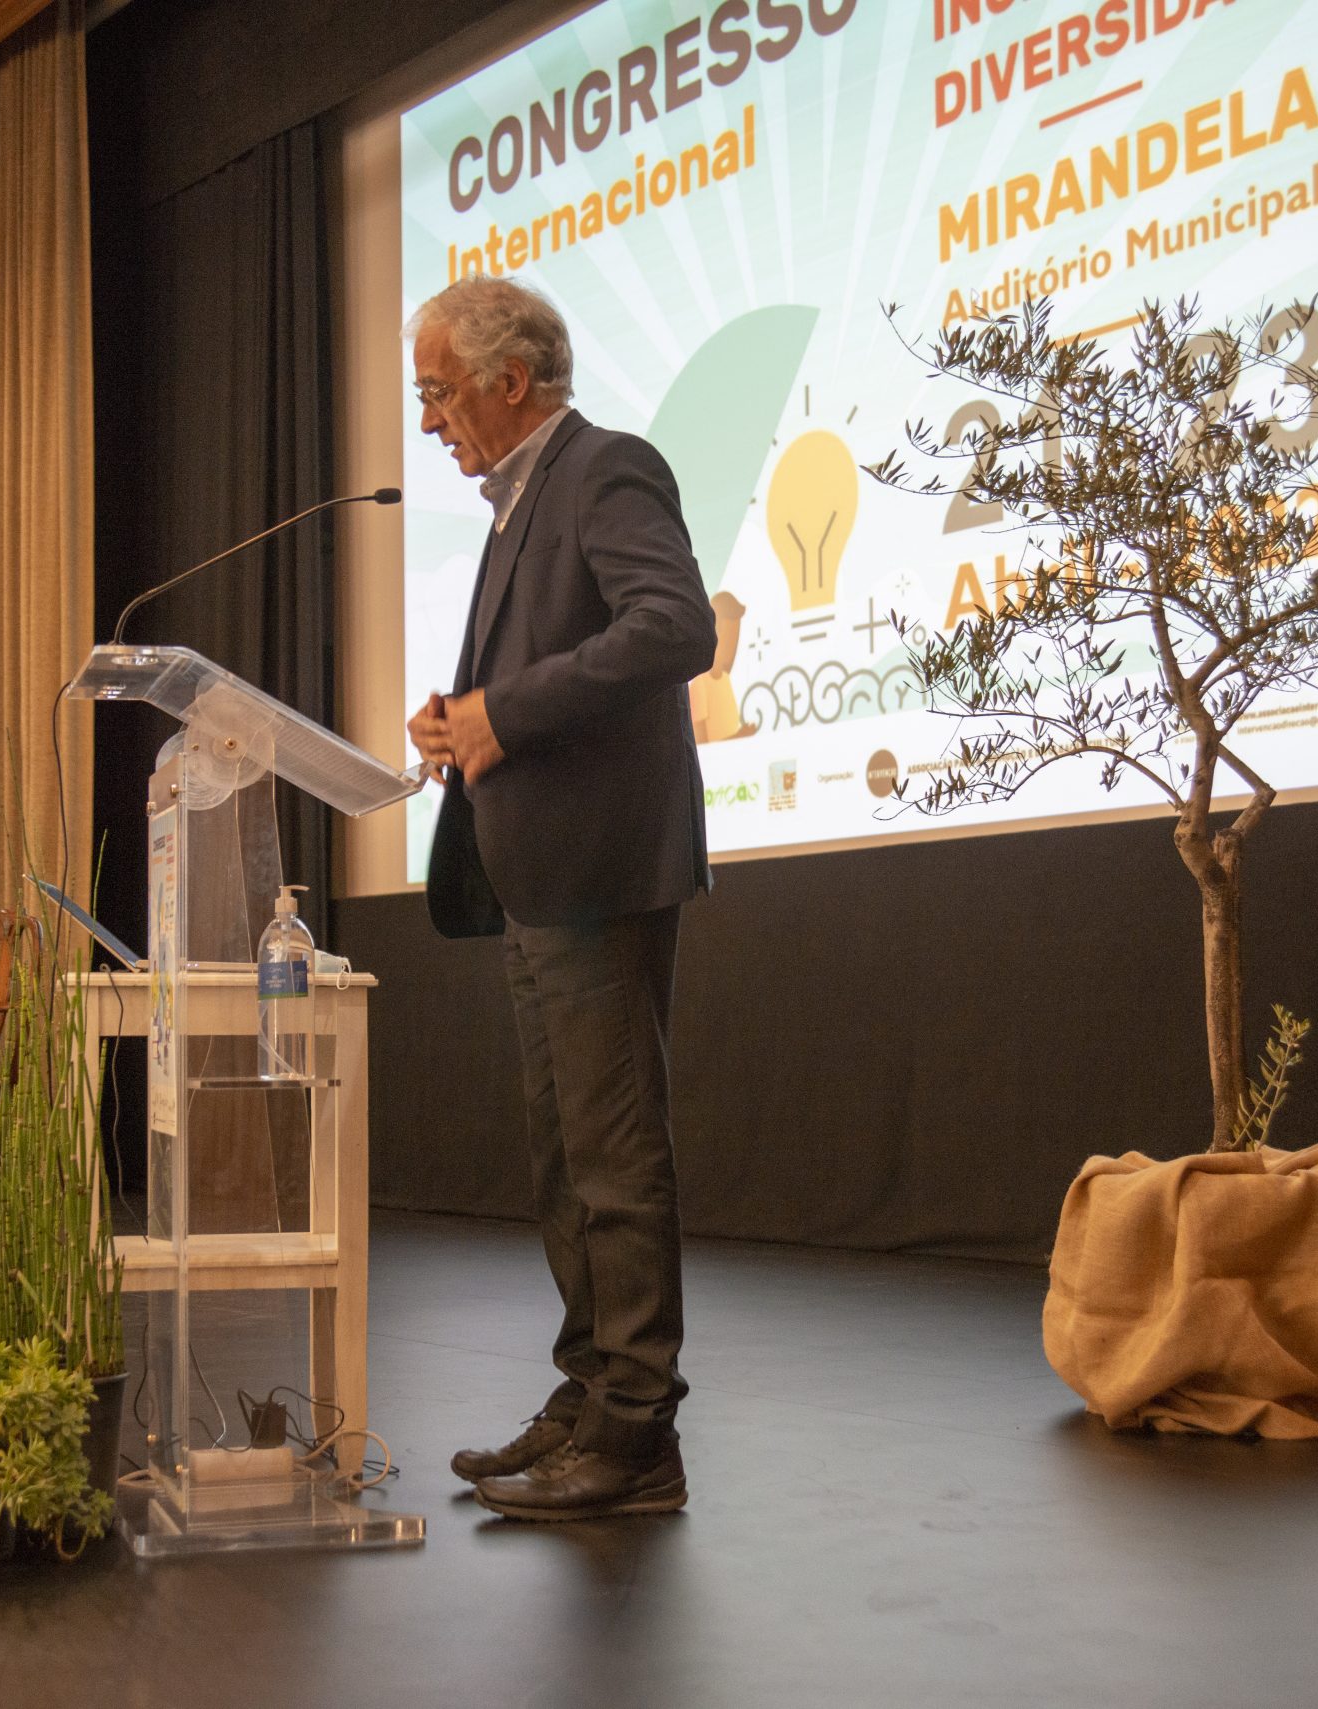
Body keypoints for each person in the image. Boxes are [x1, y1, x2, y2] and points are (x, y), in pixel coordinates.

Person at [404, 275, 717, 1522]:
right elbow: (532, 674)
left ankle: (638, 1433)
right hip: (534, 876)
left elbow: (676, 627)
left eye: (437, 391)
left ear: (509, 380)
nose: (428, 419)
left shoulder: (605, 468)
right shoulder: (514, 506)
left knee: (615, 1155)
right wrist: (458, 718)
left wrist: (506, 709)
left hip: (599, 871)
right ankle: (589, 1393)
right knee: (564, 1160)